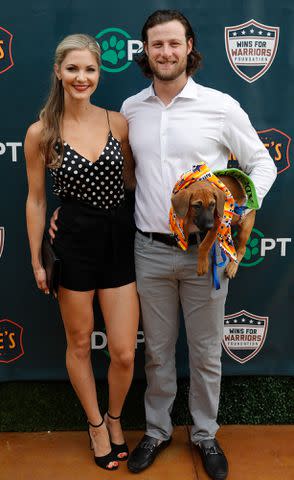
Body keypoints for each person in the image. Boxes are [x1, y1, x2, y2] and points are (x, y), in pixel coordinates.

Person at [120, 10, 277, 480]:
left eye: (173, 43)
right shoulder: (131, 108)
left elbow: (261, 164)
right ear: (144, 51)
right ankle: (158, 430)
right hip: (149, 249)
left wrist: (241, 204)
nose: (165, 52)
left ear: (189, 46)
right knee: (157, 351)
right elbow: (128, 176)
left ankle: (205, 434)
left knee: (207, 352)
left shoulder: (220, 106)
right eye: (156, 45)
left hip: (206, 254)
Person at [24, 33, 139, 471]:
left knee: (124, 352)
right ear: (58, 72)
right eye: (72, 68)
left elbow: (132, 183)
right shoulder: (42, 133)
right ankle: (95, 426)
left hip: (118, 244)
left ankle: (114, 418)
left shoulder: (118, 123)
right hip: (72, 247)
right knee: (78, 342)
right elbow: (36, 200)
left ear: (99, 73)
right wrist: (37, 257)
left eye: (89, 69)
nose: (81, 77)